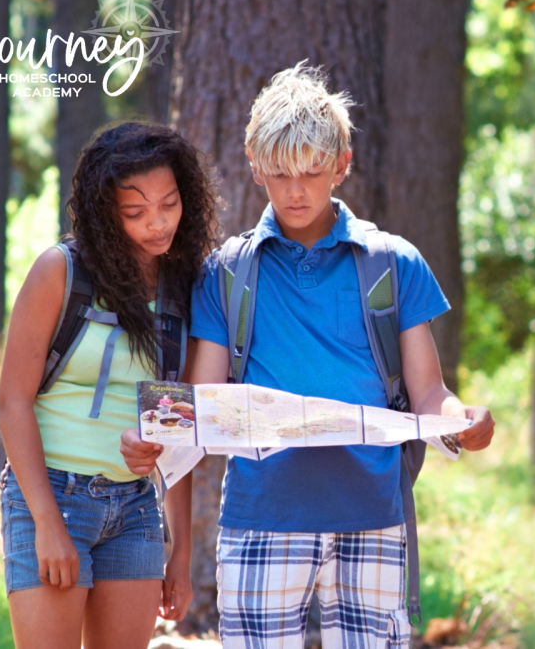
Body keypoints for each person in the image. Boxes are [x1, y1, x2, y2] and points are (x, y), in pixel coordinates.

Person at [120, 63, 495, 649]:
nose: (295, 191)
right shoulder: (226, 273)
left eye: (312, 173)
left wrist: (462, 419)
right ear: (254, 166)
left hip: (372, 515)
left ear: (341, 164)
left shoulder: (394, 264)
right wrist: (151, 433)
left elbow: (428, 393)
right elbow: (202, 402)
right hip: (261, 515)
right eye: (279, 174)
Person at [0, 122, 219, 649]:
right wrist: (48, 523)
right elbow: (12, 403)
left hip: (137, 508)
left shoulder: (186, 286)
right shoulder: (60, 271)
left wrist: (180, 551)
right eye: (136, 212)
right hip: (51, 494)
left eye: (169, 204)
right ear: (104, 213)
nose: (158, 223)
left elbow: (175, 424)